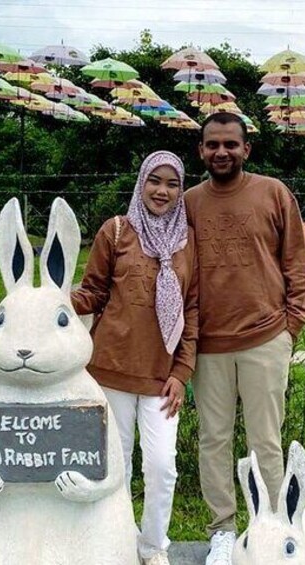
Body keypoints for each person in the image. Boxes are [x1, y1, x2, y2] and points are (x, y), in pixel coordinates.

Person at [183, 112, 305, 565]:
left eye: (230, 144)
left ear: (246, 149)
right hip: (209, 344)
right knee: (212, 440)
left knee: (265, 440)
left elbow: (296, 258)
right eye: (212, 144)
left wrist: (292, 323)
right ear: (201, 151)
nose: (221, 152)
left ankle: (274, 531)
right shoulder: (189, 203)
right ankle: (222, 531)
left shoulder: (273, 193)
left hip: (264, 337)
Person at [71, 150, 199, 565]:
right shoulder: (117, 231)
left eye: (172, 183)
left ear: (181, 189)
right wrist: (51, 299)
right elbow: (93, 293)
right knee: (117, 466)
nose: (162, 191)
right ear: (141, 182)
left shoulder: (187, 241)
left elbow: (192, 309)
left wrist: (181, 372)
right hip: (110, 369)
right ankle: (121, 541)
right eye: (154, 181)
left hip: (162, 377)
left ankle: (153, 546)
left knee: (162, 467)